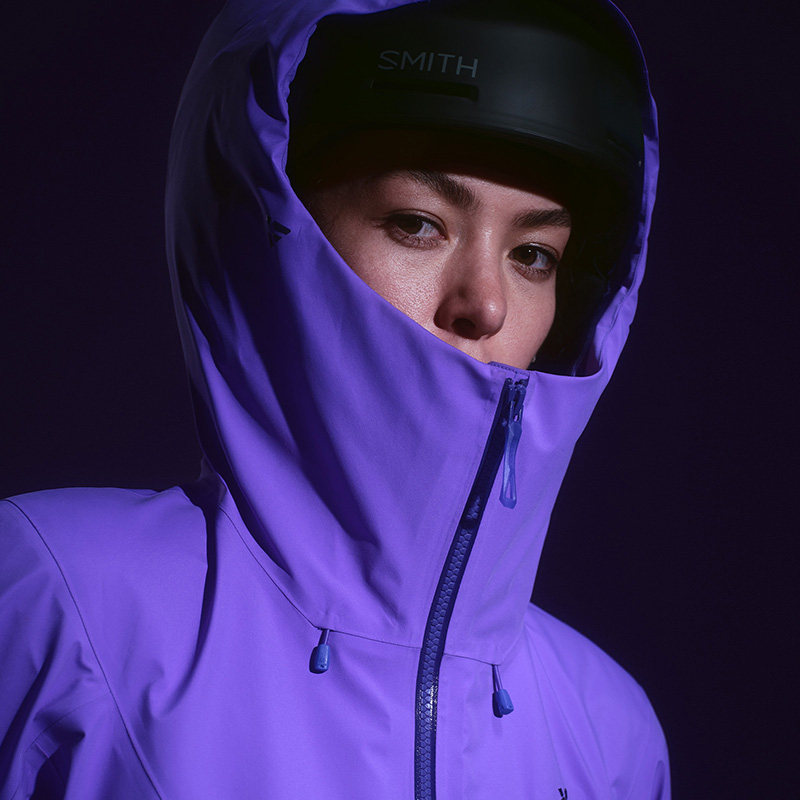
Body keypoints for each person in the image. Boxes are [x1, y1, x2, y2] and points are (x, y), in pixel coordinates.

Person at [0, 0, 667, 797]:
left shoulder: (608, 732)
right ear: (268, 230)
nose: (487, 303)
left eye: (533, 255)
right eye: (417, 223)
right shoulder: (60, 599)